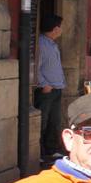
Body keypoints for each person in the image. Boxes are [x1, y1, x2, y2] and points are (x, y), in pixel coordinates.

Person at [35, 13, 66, 162]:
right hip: (47, 90)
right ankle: (39, 153)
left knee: (54, 121)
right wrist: (43, 84)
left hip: (56, 88)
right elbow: (36, 67)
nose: (61, 30)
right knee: (42, 122)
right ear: (55, 28)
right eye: (60, 27)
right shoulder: (41, 44)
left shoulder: (52, 44)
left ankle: (52, 150)